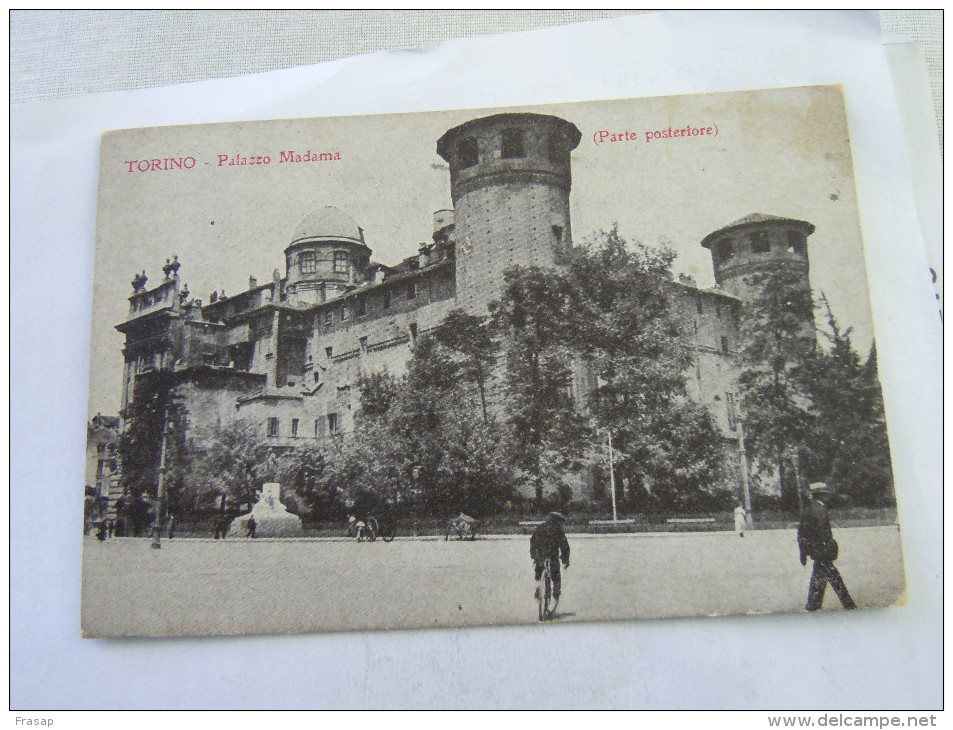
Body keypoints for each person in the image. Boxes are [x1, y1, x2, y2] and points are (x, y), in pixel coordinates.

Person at [797, 482, 856, 612]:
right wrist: (827, 546)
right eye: (825, 494)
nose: (827, 497)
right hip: (822, 550)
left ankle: (813, 604)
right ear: (822, 495)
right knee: (832, 577)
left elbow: (801, 532)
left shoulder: (808, 510)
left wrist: (803, 552)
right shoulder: (820, 509)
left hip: (817, 551)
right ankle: (848, 604)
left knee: (821, 576)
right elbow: (822, 532)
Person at [530, 512, 570, 605]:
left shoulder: (539, 528)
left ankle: (538, 586)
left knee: (539, 571)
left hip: (540, 555)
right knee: (555, 574)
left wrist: (533, 555)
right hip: (552, 555)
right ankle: (556, 591)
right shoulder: (558, 530)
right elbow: (564, 546)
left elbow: (532, 541)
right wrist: (565, 560)